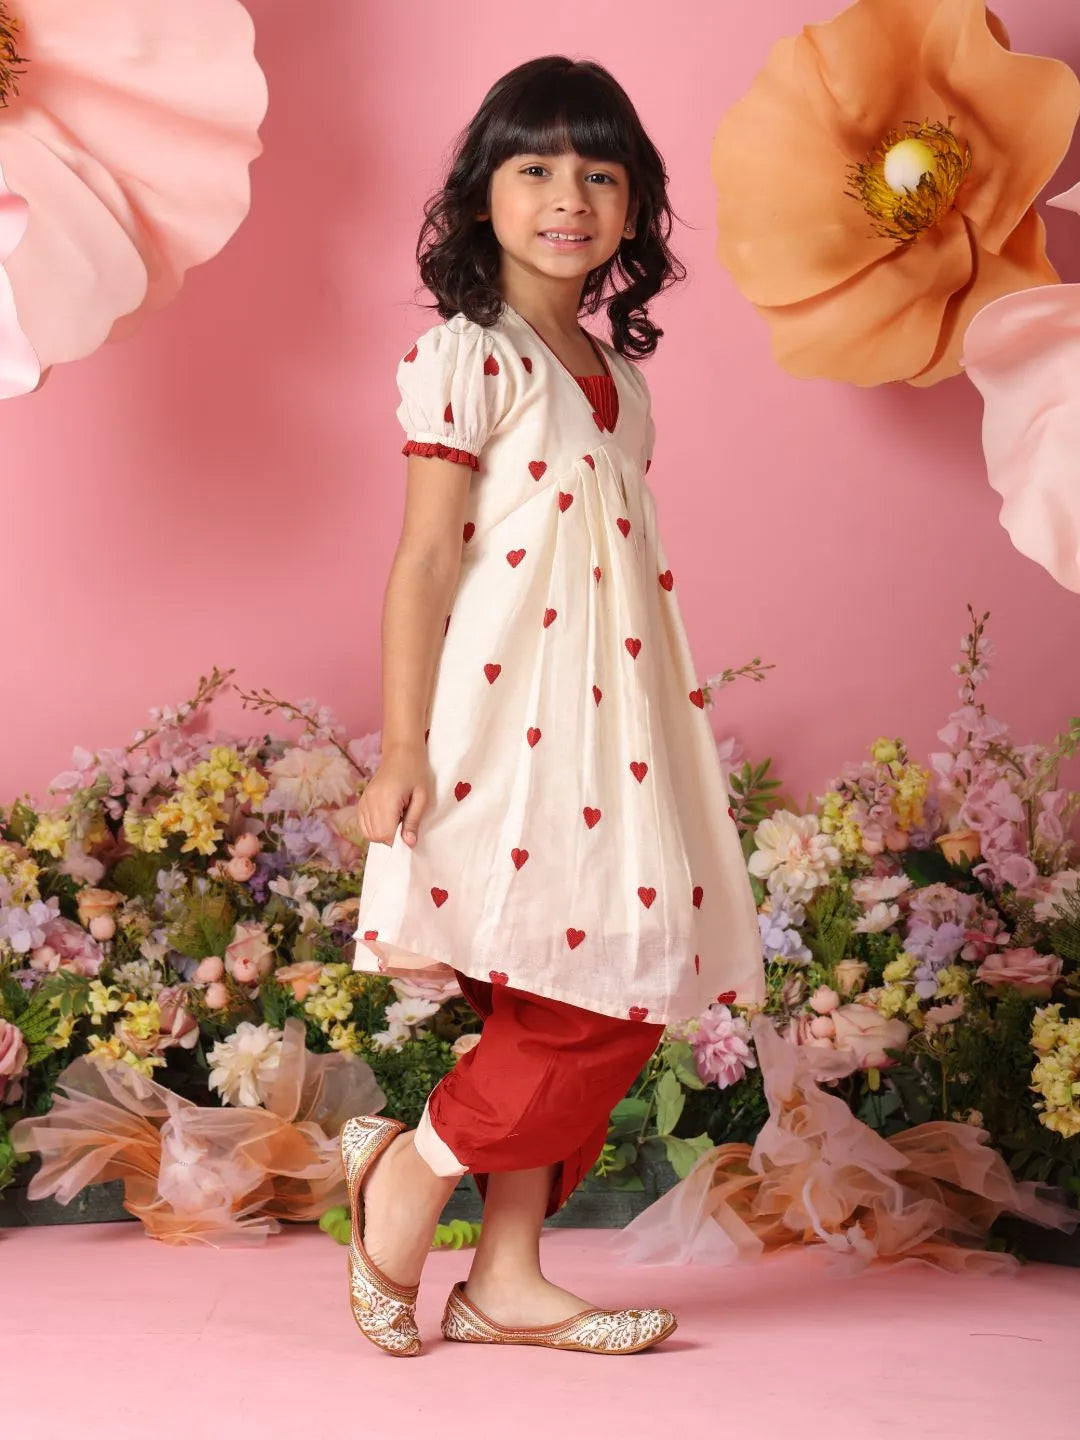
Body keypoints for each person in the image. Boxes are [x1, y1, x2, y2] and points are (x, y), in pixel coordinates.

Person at [340, 54, 766, 1358]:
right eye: (535, 168)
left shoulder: (618, 382)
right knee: (574, 993)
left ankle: (506, 1277)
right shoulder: (467, 355)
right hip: (501, 729)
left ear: (633, 210)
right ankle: (405, 1178)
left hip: (611, 731)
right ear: (482, 198)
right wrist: (403, 742)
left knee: (574, 984)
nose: (568, 195)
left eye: (601, 173)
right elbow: (425, 559)